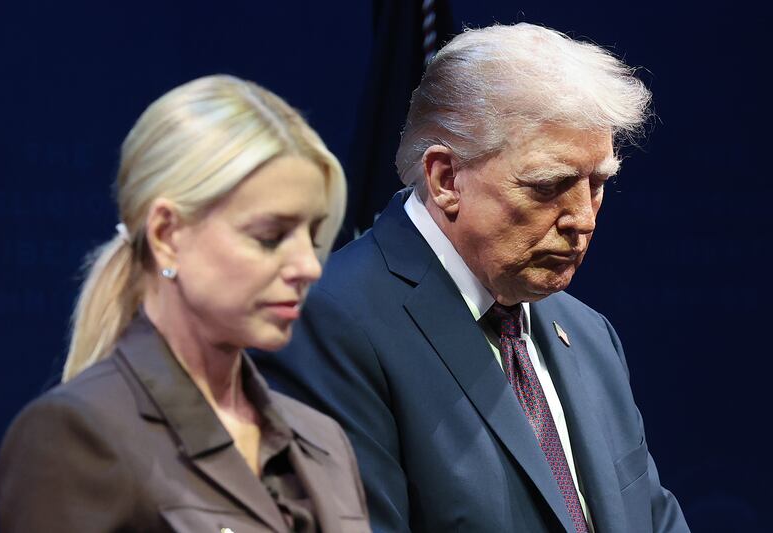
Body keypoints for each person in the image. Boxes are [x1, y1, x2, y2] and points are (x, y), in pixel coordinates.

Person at [254, 23, 690, 532]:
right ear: (445, 179)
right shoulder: (331, 324)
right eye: (550, 185)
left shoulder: (590, 336)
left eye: (597, 184)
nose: (583, 219)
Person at [0, 75, 371, 533]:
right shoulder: (77, 436)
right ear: (166, 235)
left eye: (312, 238)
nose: (309, 266)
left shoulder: (323, 439)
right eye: (270, 237)